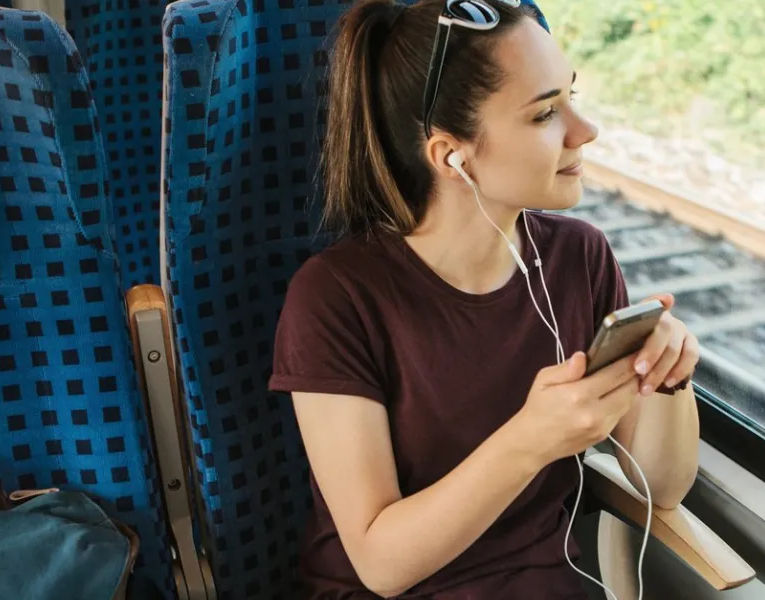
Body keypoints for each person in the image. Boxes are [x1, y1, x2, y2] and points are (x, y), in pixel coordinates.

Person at [269, 0, 701, 597]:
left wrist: (670, 378)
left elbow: (662, 484)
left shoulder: (579, 257)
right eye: (546, 112)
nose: (585, 130)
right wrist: (529, 441)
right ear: (453, 155)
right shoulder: (336, 298)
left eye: (571, 97)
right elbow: (381, 564)